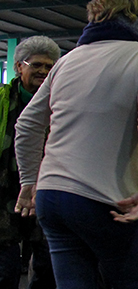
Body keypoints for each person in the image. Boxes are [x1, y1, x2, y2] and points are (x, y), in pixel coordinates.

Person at [14, 0, 138, 288]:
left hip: (52, 198)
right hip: (106, 198)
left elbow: (27, 123)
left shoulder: (67, 61)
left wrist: (29, 181)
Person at [0, 36, 59, 288]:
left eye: (49, 67)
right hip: (3, 194)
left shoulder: (62, 104)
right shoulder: (2, 99)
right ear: (18, 67)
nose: (43, 71)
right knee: (4, 268)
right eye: (36, 65)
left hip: (46, 191)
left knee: (47, 267)